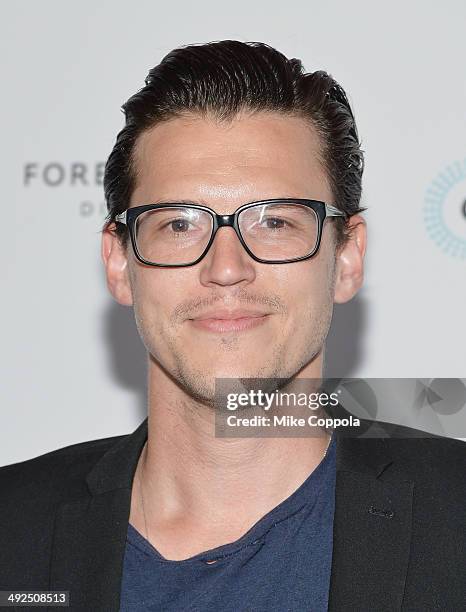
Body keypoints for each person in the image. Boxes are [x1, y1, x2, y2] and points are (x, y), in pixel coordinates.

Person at [0, 40, 464, 612]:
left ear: (346, 258)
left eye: (275, 222)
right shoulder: (11, 530)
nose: (226, 269)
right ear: (120, 263)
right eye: (177, 225)